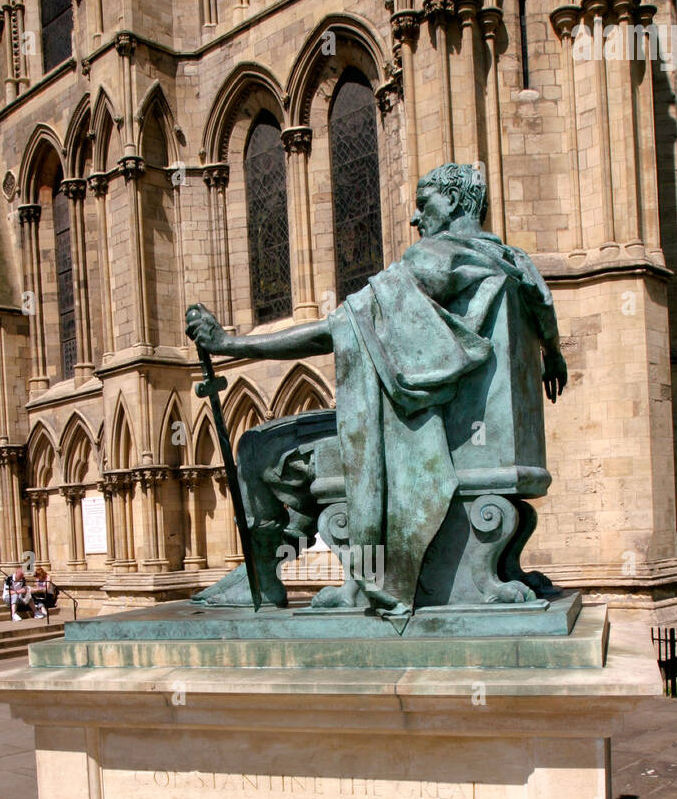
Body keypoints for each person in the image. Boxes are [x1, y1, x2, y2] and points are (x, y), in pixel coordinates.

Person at [186, 161, 567, 614]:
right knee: (299, 441)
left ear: (456, 203)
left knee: (261, 446)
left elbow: (333, 330)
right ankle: (268, 566)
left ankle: (263, 575)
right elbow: (545, 317)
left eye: (424, 204)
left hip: (425, 427)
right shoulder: (513, 262)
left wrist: (230, 343)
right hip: (453, 425)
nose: (415, 218)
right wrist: (554, 355)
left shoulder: (434, 257)